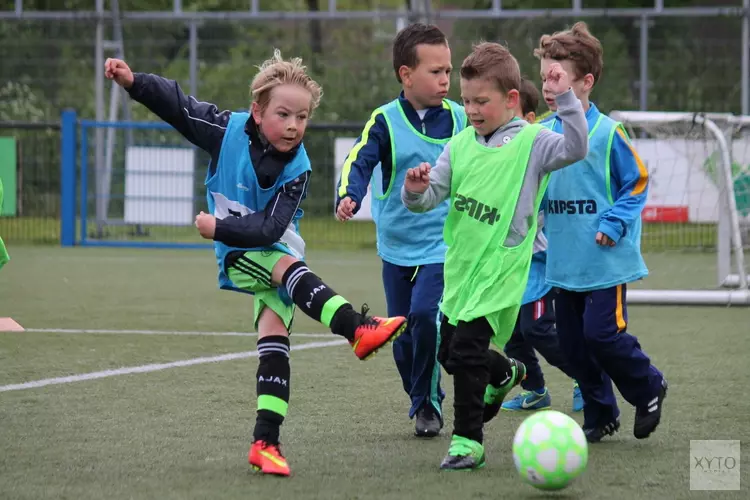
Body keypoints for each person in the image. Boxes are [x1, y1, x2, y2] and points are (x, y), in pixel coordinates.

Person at [105, 52, 407, 477]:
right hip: (241, 254)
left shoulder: (299, 168)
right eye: (283, 114)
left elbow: (269, 229)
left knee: (274, 341)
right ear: (257, 112)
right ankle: (355, 328)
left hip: (267, 244)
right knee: (285, 268)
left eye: (302, 117)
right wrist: (134, 82)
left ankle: (265, 442)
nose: (293, 126)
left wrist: (218, 227)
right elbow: (179, 105)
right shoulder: (224, 130)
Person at [401, 42, 588, 470]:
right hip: (461, 267)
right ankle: (504, 374)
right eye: (466, 101)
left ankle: (468, 443)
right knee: (449, 352)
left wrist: (565, 99)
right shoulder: (460, 145)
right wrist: (414, 190)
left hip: (500, 271)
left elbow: (576, 148)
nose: (472, 109)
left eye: (481, 101)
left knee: (465, 354)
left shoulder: (533, 142)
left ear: (511, 100)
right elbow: (429, 198)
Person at [535, 22, 667, 443]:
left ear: (585, 82)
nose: (549, 87)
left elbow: (639, 182)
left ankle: (648, 386)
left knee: (602, 334)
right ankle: (600, 409)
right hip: (564, 262)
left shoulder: (609, 133)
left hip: (604, 262)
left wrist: (612, 223)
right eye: (544, 79)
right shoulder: (542, 133)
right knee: (572, 347)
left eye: (558, 78)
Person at [336, 23, 466, 437]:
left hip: (442, 246)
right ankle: (422, 394)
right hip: (395, 247)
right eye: (435, 71)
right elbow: (359, 160)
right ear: (406, 75)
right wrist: (350, 194)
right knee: (403, 335)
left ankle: (427, 404)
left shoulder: (463, 119)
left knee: (426, 318)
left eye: (448, 71)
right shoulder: (386, 121)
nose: (446, 80)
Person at [499, 78, 584, 414]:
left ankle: (586, 376)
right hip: (508, 263)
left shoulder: (537, 152)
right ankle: (535, 390)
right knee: (512, 333)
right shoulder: (489, 149)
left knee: (536, 327)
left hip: (539, 261)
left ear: (529, 119)